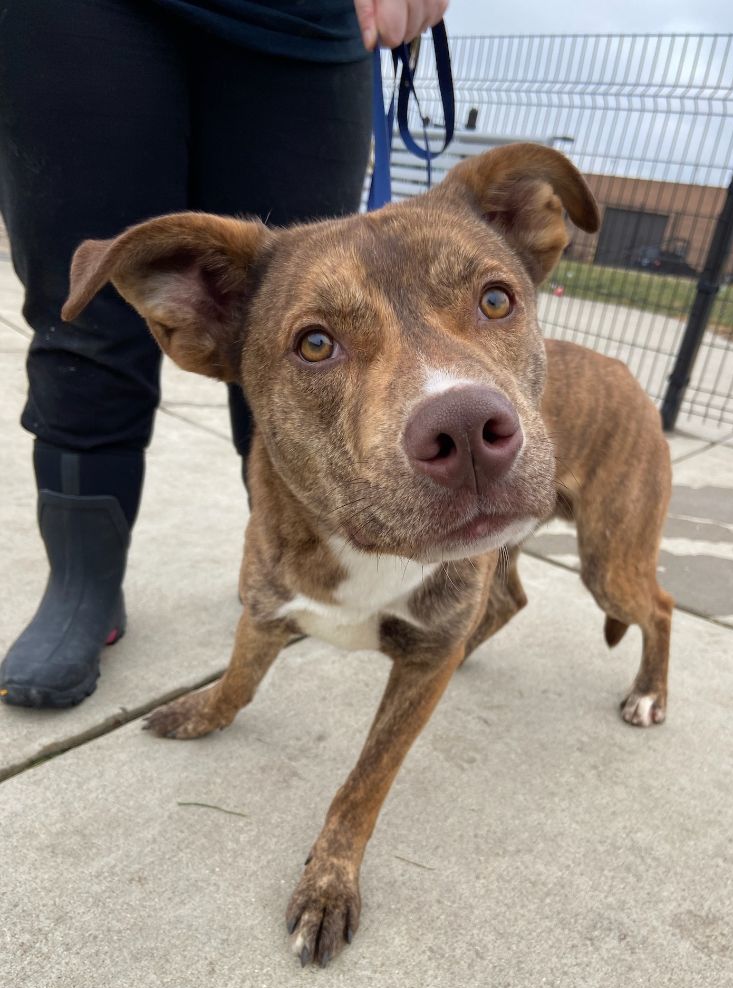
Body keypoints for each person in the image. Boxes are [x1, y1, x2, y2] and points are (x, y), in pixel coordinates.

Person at [0, 0, 448, 709]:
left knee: (308, 333)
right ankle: (81, 583)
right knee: (85, 325)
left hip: (300, 19)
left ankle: (284, 566)